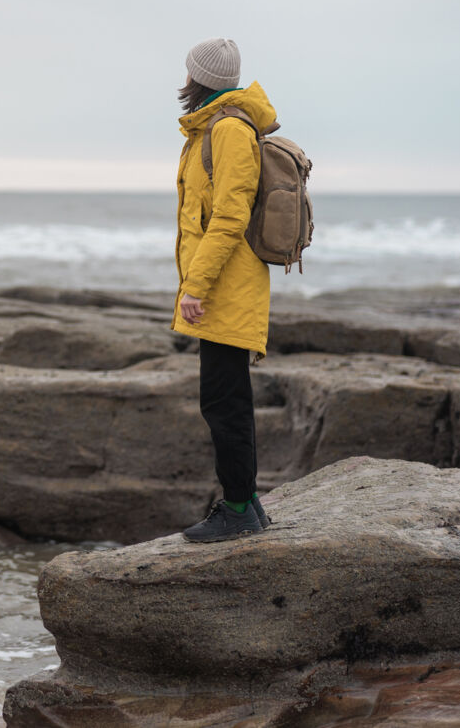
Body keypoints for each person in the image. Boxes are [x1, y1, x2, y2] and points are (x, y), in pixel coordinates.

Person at [172, 37, 277, 542]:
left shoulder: (229, 130)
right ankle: (250, 504)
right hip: (223, 288)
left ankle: (237, 509)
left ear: (199, 78)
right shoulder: (213, 128)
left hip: (224, 290)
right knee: (229, 398)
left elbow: (230, 216)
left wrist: (196, 286)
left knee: (222, 403)